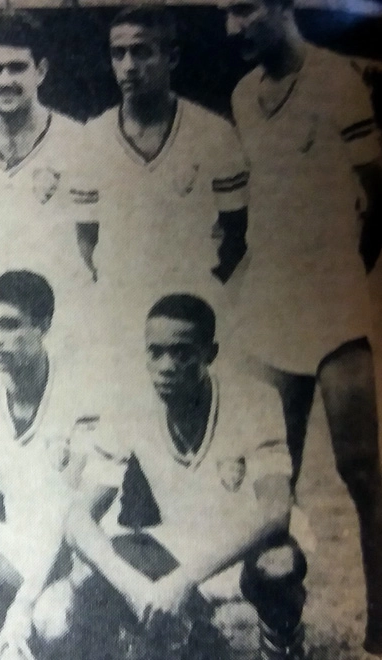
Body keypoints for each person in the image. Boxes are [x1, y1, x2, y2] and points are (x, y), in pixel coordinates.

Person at [221, 0, 382, 652]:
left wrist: (342, 270)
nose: (233, 28)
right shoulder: (241, 93)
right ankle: (279, 626)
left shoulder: (339, 80)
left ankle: (380, 635)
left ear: (284, 7)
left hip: (336, 305)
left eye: (245, 11)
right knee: (266, 482)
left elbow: (378, 195)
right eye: (226, 15)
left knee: (365, 473)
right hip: (270, 308)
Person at [57, 294, 303, 660]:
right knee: (100, 571)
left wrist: (185, 580)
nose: (166, 366)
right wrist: (135, 589)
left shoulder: (255, 400)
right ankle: (186, 633)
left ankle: (281, 645)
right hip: (172, 549)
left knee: (279, 563)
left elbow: (275, 511)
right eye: (154, 353)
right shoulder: (128, 405)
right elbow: (78, 517)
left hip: (239, 552)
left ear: (210, 353)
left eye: (182, 353)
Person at [0, 271, 98, 660]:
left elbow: (69, 512)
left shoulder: (80, 391)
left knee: (50, 621)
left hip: (75, 546)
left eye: (10, 325)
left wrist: (22, 606)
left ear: (43, 325)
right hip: (15, 537)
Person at [79, 5, 250, 353]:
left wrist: (205, 286)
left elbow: (238, 233)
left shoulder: (214, 134)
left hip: (190, 316)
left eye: (142, 51)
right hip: (118, 315)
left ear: (171, 57)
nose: (128, 66)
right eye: (118, 53)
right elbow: (85, 237)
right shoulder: (90, 138)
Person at [0, 11, 98, 342]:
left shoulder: (78, 142)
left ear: (41, 71)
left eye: (17, 67)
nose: (5, 80)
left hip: (60, 316)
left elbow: (94, 240)